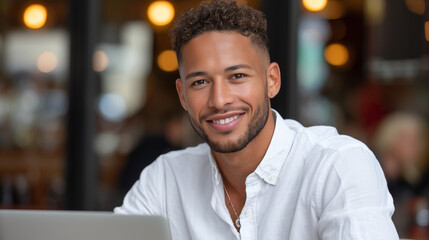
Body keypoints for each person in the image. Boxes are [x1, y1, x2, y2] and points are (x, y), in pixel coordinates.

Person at [115, 0, 399, 239]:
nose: (219, 100)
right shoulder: (166, 178)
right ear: (182, 95)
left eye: (237, 76)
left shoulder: (337, 166)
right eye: (200, 82)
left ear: (271, 80)